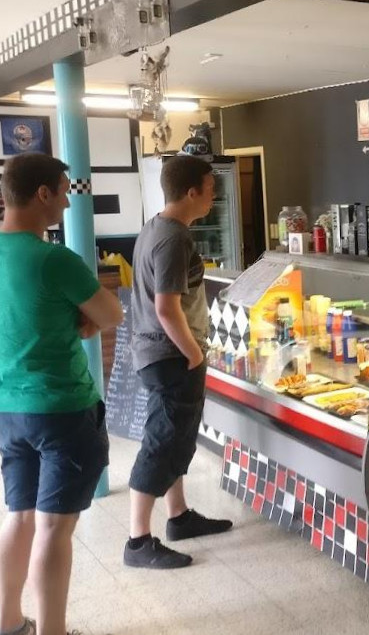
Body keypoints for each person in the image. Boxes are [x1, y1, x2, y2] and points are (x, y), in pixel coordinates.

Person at [0, 153, 123, 635]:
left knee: (20, 517)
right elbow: (111, 313)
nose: (68, 203)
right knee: (54, 527)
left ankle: (9, 622)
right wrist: (81, 319)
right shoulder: (55, 259)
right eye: (64, 192)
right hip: (62, 411)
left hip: (9, 411)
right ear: (42, 194)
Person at [125, 155, 232, 570]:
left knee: (176, 438)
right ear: (191, 192)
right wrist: (194, 352)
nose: (213, 196)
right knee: (161, 441)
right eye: (210, 188)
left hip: (160, 353)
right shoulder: (174, 238)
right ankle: (138, 540)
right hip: (171, 355)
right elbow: (166, 307)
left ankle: (179, 516)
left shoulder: (155, 227)